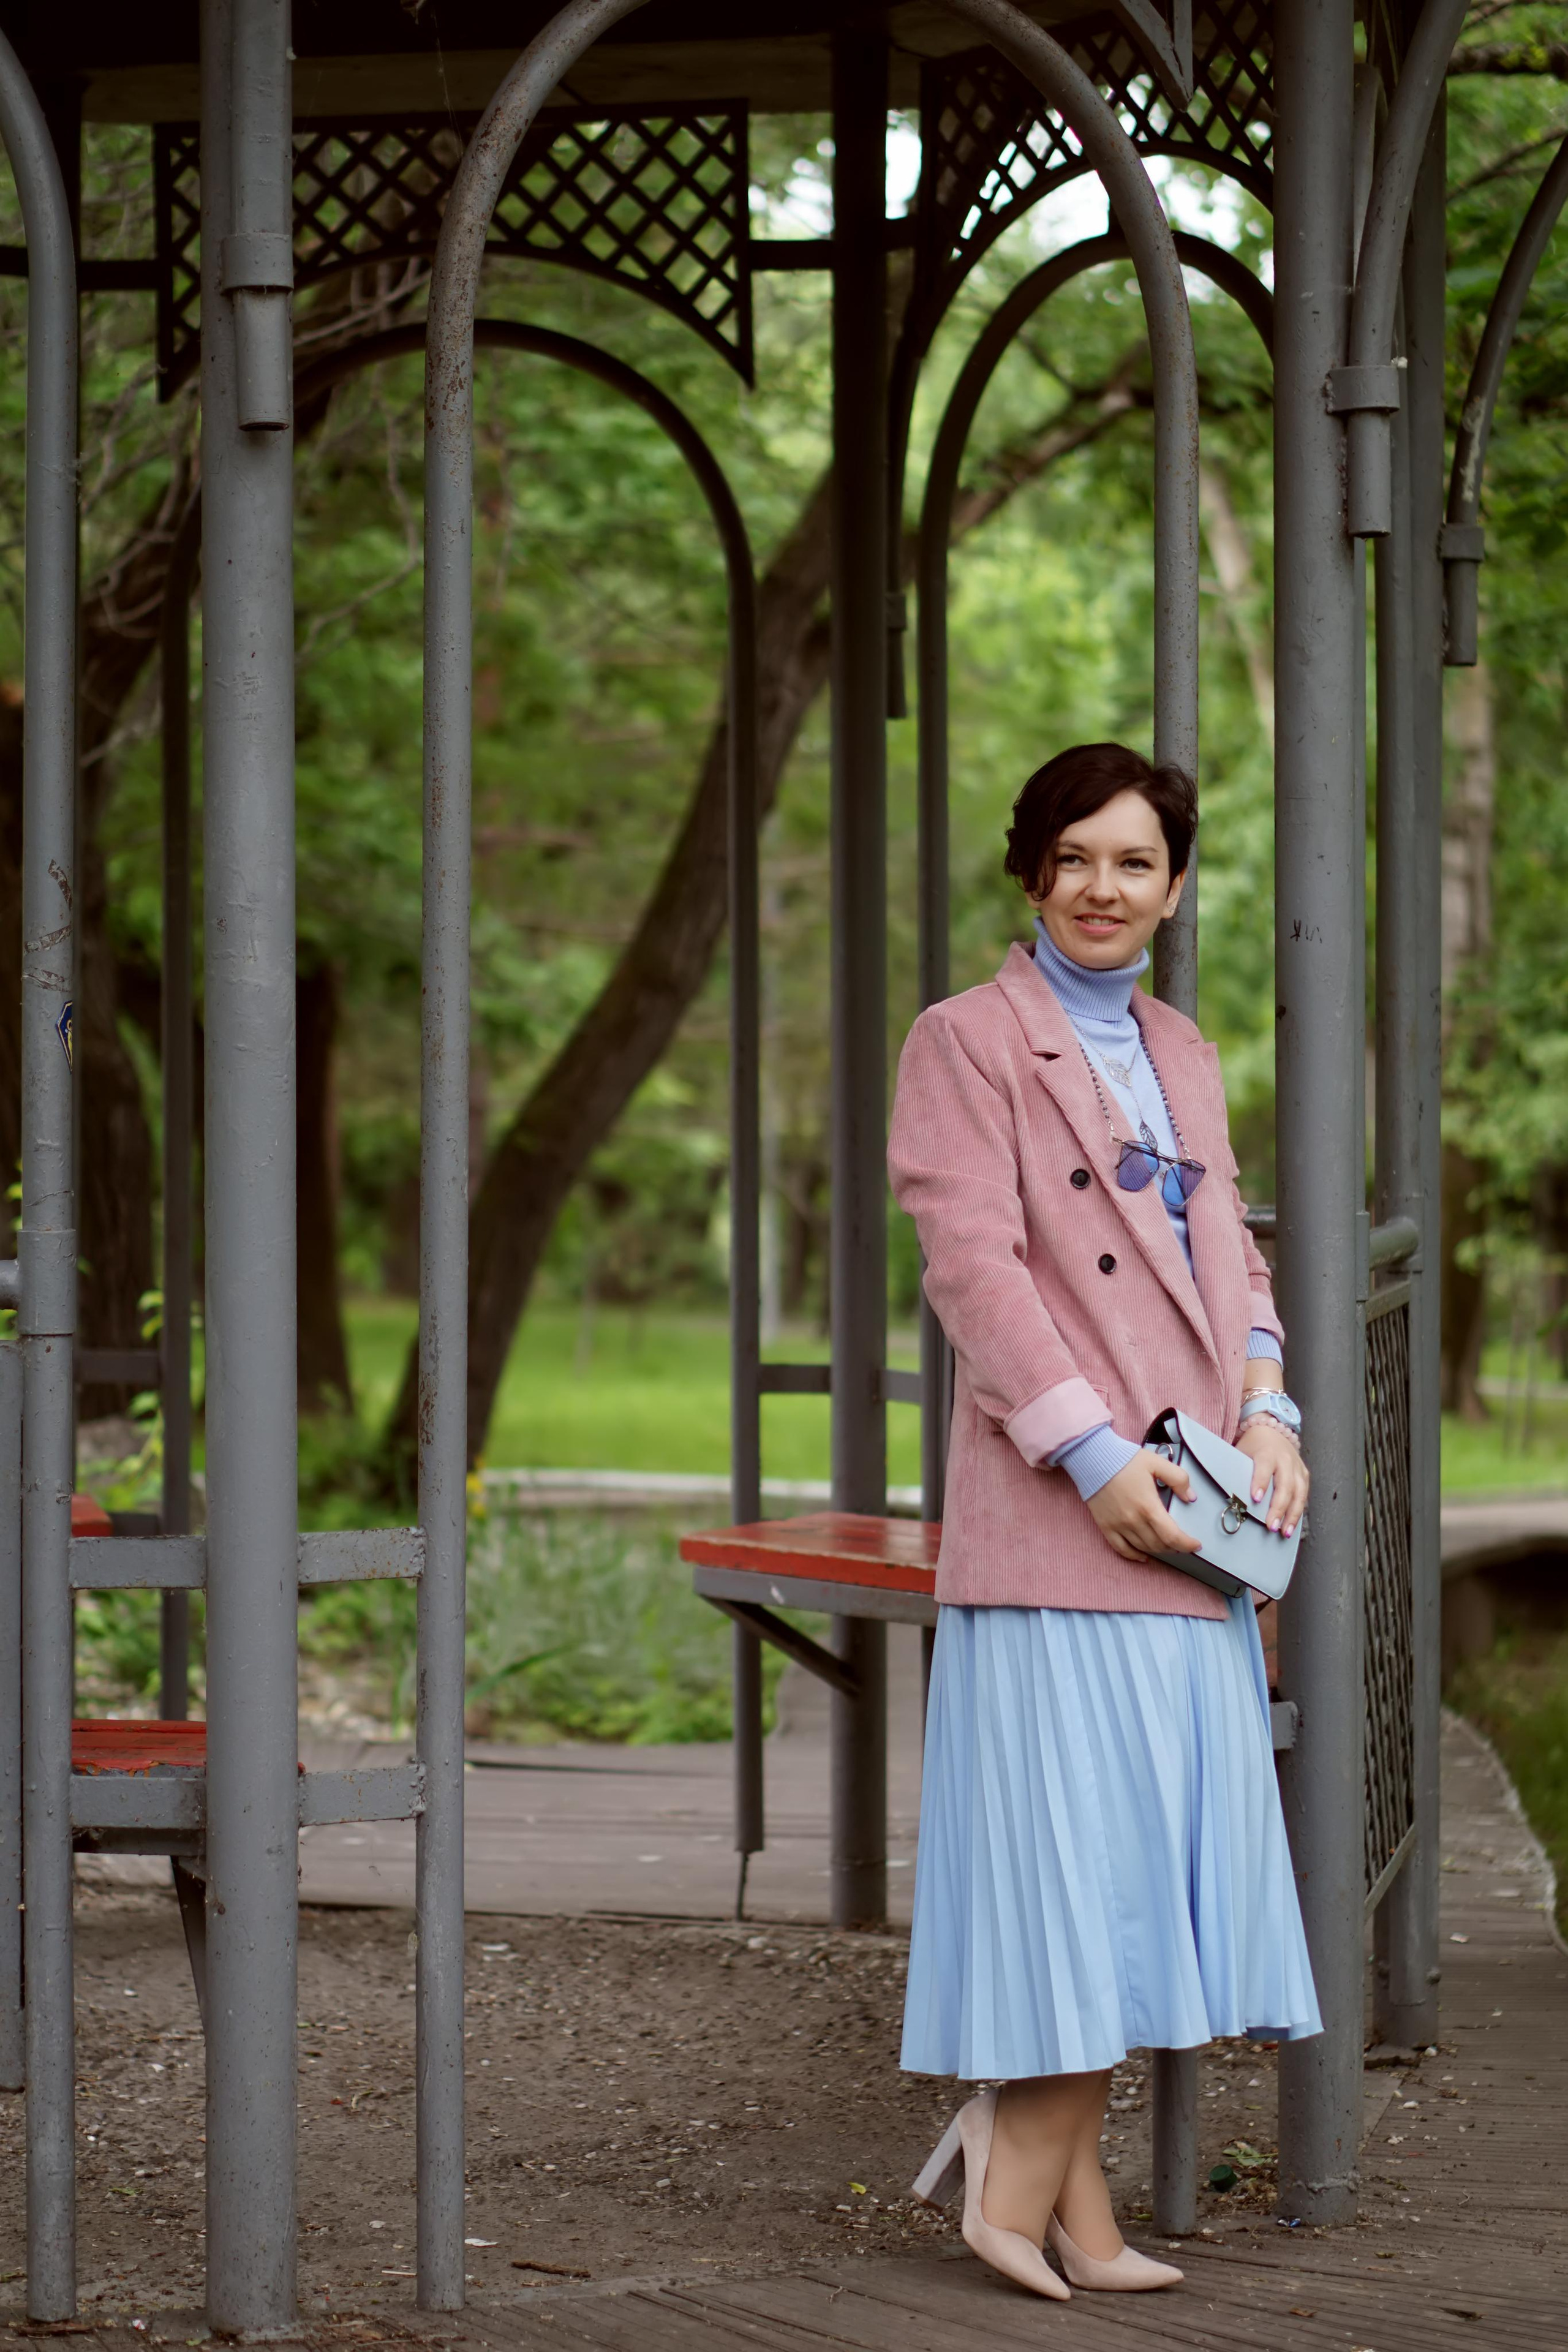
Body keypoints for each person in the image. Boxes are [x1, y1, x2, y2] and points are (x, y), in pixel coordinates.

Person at [888, 742, 1319, 2300]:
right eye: (1073, 858)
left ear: (1174, 887)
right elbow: (972, 1269)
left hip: (1194, 1501)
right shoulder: (964, 1039)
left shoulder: (1182, 1051)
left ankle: (1075, 2211)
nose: (1101, 888)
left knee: (1137, 1866)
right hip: (1060, 1508)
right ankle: (1007, 2188)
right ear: (1029, 875)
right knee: (1082, 1869)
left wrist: (1270, 1411)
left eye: (1133, 862)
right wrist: (1085, 1456)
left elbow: (1233, 1263)